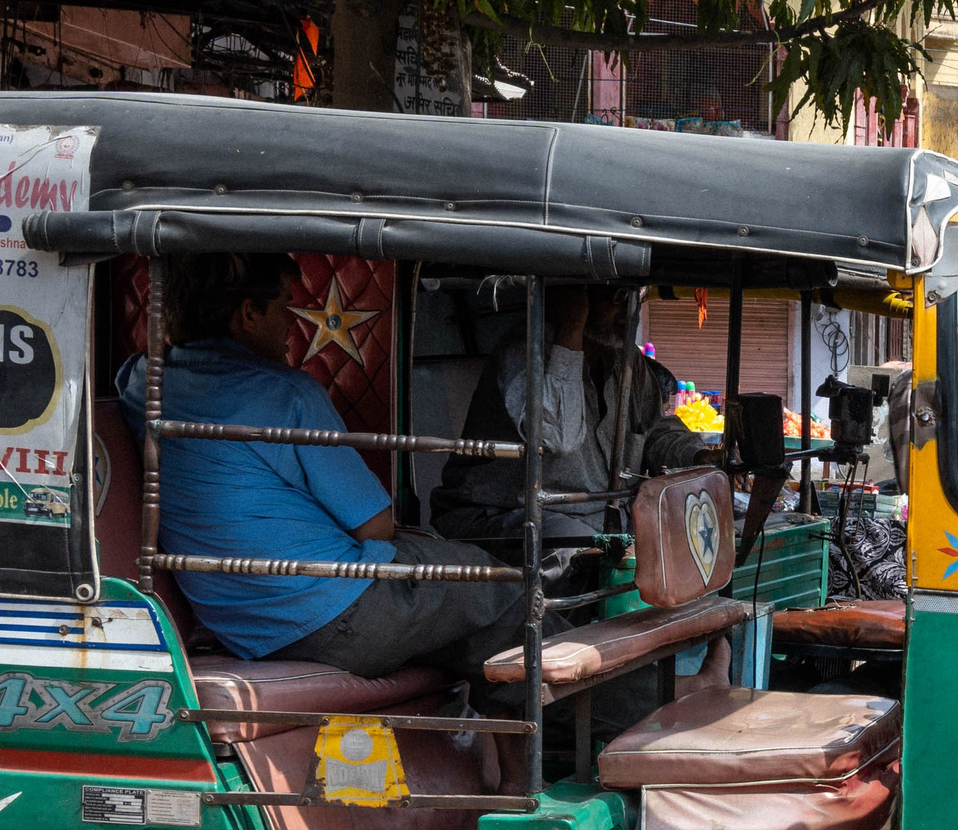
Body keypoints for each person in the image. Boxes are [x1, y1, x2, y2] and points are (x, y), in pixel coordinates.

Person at [116, 254, 532, 696]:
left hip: (242, 626)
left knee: (464, 613)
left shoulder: (139, 382)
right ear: (249, 314)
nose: (291, 324)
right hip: (335, 615)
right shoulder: (287, 394)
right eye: (284, 306)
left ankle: (498, 729)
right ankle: (577, 724)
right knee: (502, 588)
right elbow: (376, 526)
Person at [432, 285, 714, 547]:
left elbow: (654, 430)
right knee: (577, 547)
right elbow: (557, 437)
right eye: (617, 296)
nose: (629, 309)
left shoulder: (628, 362)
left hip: (607, 516)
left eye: (634, 295)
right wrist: (570, 328)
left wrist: (697, 456)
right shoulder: (525, 352)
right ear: (576, 297)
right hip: (511, 513)